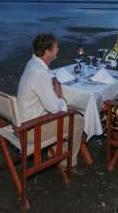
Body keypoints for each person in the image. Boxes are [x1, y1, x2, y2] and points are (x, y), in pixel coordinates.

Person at [17, 33, 85, 170]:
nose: (58, 49)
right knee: (78, 119)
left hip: (22, 120)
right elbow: (54, 108)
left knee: (69, 109)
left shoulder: (33, 64)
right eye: (56, 47)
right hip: (30, 130)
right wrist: (61, 97)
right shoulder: (40, 73)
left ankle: (54, 152)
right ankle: (68, 163)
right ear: (48, 51)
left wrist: (59, 97)